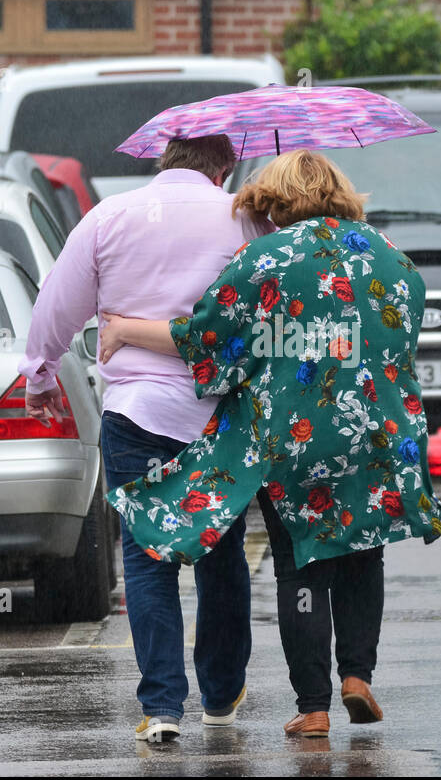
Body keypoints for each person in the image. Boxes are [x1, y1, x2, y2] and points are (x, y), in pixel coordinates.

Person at [101, 149, 441, 737]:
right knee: (365, 549)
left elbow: (207, 340)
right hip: (378, 429)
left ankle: (313, 706)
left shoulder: (262, 258)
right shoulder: (392, 257)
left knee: (300, 565)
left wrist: (124, 329)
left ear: (276, 201)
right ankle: (357, 676)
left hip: (295, 434)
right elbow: (405, 340)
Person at [19, 134, 270, 743]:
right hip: (218, 417)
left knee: (147, 557)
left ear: (164, 160)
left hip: (135, 412)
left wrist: (40, 374)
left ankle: (161, 707)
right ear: (226, 164)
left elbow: (57, 304)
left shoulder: (109, 216)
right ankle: (220, 693)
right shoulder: (245, 219)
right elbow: (269, 310)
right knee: (221, 549)